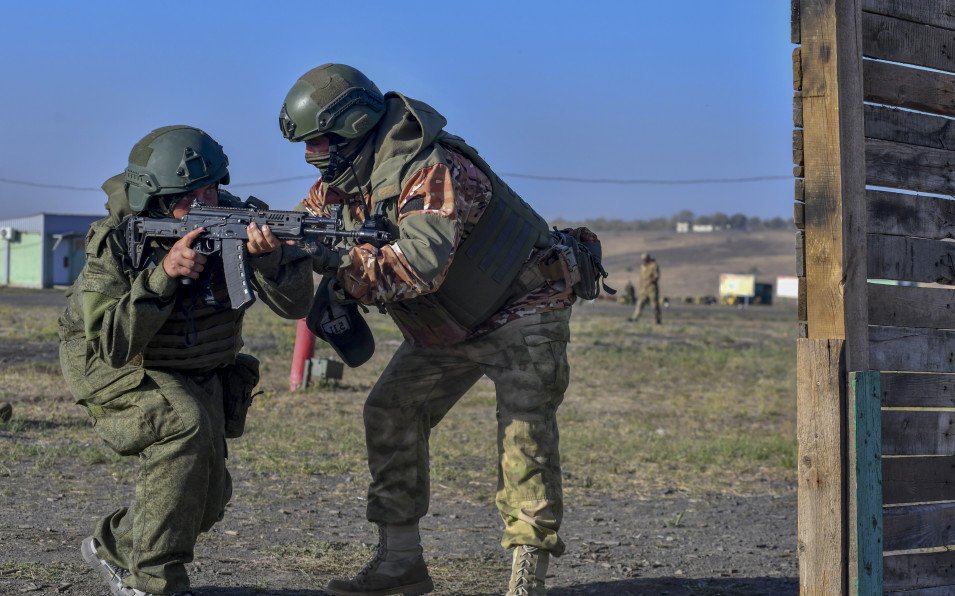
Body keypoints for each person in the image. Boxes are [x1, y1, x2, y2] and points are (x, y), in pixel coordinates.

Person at [279, 63, 589, 596]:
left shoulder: (430, 169)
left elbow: (417, 267)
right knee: (391, 409)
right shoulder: (340, 187)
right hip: (450, 323)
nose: (314, 156)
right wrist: (271, 245)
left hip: (524, 307)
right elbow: (301, 229)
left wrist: (333, 260)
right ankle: (400, 564)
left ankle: (526, 574)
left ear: (354, 127)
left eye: (321, 142)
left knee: (524, 427)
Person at [58, 125, 314, 596]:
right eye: (190, 197)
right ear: (156, 200)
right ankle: (155, 584)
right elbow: (112, 344)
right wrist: (162, 276)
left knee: (207, 499)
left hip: (200, 364)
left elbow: (297, 306)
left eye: (213, 188)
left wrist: (270, 262)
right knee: (185, 429)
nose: (208, 203)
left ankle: (113, 546)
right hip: (118, 362)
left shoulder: (247, 221)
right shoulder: (116, 242)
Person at [629, 253, 661, 324]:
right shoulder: (642, 267)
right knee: (639, 304)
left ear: (648, 258)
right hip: (643, 289)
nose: (643, 261)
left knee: (654, 305)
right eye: (642, 259)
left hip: (652, 289)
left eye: (645, 259)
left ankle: (657, 320)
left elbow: (657, 276)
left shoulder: (654, 266)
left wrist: (650, 280)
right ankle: (635, 318)